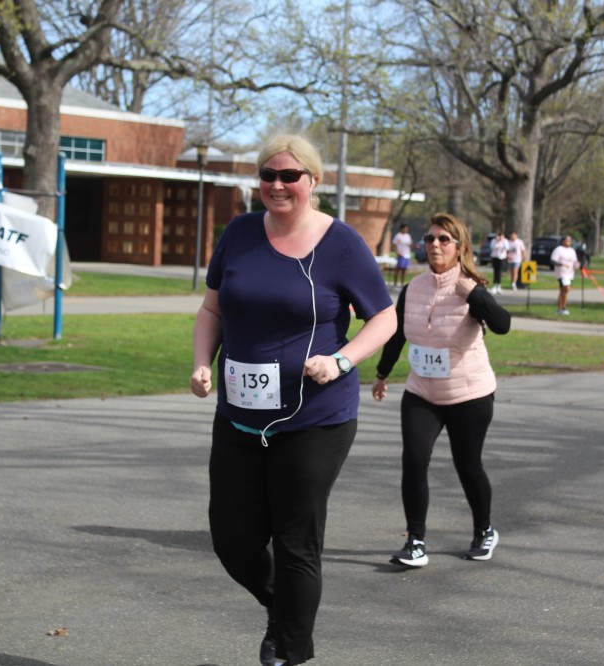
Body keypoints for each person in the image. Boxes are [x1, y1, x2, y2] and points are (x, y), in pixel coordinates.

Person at [190, 133, 397, 666]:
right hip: (239, 417)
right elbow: (212, 310)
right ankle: (284, 612)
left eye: (289, 176)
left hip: (315, 418)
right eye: (268, 175)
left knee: (295, 542)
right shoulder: (239, 233)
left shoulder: (341, 243)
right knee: (232, 541)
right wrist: (201, 361)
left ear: (313, 180)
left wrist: (341, 361)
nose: (277, 185)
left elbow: (384, 316)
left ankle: (289, 650)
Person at [371, 212, 511, 568]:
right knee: (414, 459)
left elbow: (503, 324)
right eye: (430, 239)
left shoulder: (471, 288)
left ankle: (484, 530)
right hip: (422, 392)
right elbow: (397, 335)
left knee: (468, 465)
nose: (435, 245)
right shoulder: (413, 288)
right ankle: (415, 542)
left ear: (459, 246)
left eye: (443, 239)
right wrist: (382, 374)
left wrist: (474, 294)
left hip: (469, 394)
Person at [550, 235, 580, 315]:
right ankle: (562, 308)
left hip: (570, 274)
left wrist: (577, 265)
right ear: (563, 241)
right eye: (567, 240)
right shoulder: (558, 250)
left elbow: (575, 261)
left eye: (570, 240)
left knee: (564, 291)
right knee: (566, 289)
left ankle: (561, 307)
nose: (569, 242)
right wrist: (561, 264)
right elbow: (553, 261)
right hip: (562, 273)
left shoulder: (572, 251)